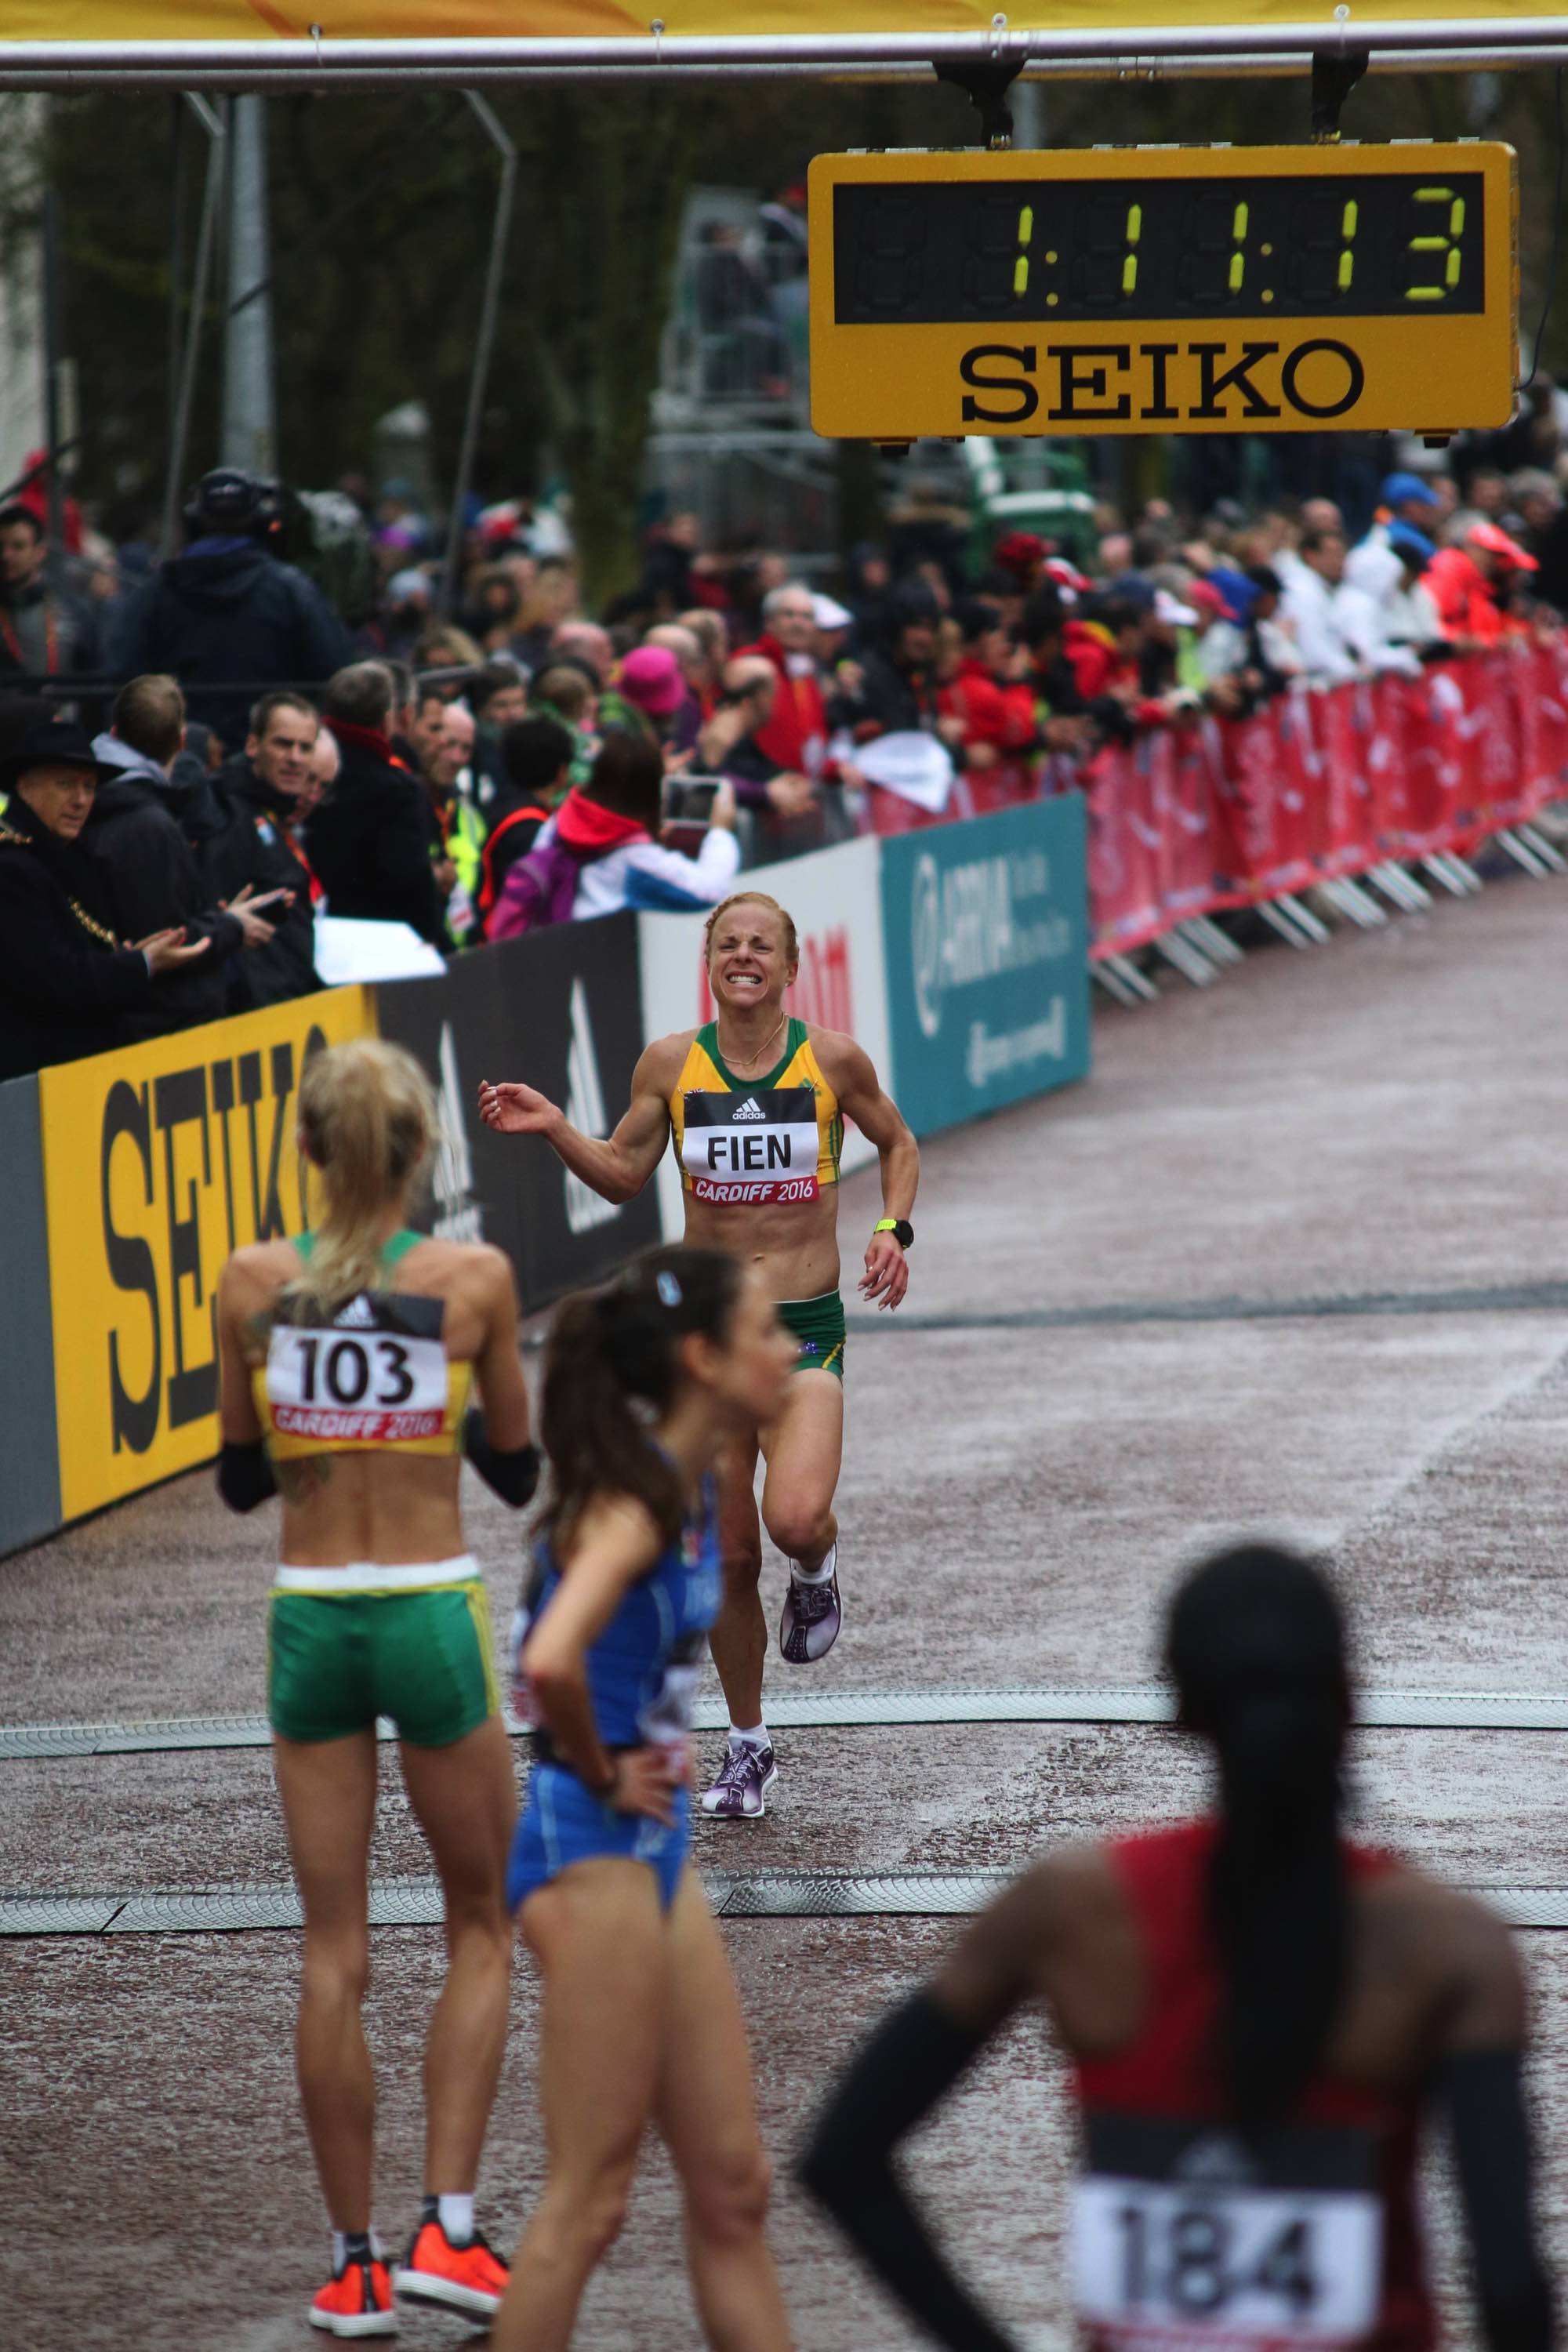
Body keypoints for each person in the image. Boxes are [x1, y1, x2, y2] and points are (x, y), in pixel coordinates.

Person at [800, 1544, 1555, 2352]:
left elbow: (843, 2157)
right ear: (1344, 1697)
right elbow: (1507, 2284)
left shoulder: (1072, 1909)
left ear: (1182, 1714)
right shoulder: (1450, 1946)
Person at [214, 1038, 539, 2339]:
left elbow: (240, 1480)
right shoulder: (471, 1280)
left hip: (312, 1620)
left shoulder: (253, 1279)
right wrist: (426, 1404)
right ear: (422, 1156)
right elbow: (516, 1471)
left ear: (306, 1151)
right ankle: (448, 2236)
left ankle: (351, 2264)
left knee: (332, 1952)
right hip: (427, 1609)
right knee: (481, 1924)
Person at [478, 887, 919, 1820]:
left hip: (802, 1332)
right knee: (724, 1557)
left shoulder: (832, 1060)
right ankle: (748, 1745)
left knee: (794, 1520)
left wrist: (891, 1229)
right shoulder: (671, 1064)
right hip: (707, 1349)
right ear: (710, 962)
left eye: (762, 945)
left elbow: (898, 1141)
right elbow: (624, 1171)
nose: (744, 956)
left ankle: (816, 1569)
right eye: (728, 944)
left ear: (790, 968)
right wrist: (557, 1127)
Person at [492, 1247, 798, 2352]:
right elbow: (554, 1654)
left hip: (652, 1855)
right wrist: (603, 1763)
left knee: (734, 2186)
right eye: (768, 1332)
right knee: (589, 2203)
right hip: (593, 1852)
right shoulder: (630, 1509)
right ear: (705, 1359)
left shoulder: (686, 1482)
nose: (790, 1350)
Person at [0, 720, 211, 1079]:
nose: (80, 800)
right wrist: (141, 963)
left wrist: (126, 958)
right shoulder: (12, 868)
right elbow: (58, 977)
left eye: (89, 787)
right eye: (65, 784)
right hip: (38, 1079)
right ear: (25, 786)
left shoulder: (70, 855)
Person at [88, 672, 284, 1036]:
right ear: (181, 741)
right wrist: (232, 926)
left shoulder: (96, 802)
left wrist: (216, 918)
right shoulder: (149, 825)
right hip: (163, 1027)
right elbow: (172, 939)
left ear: (114, 733)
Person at [110, 468, 350, 750]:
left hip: (175, 755)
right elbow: (335, 672)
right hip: (270, 759)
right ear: (262, 521)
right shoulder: (290, 589)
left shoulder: (154, 592)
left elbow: (122, 675)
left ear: (194, 521)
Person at [488, 733, 739, 936]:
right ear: (648, 792)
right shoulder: (635, 858)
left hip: (544, 956)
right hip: (595, 967)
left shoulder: (560, 820)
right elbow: (708, 890)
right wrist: (720, 831)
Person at [306, 661, 448, 945]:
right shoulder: (398, 790)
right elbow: (411, 881)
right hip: (382, 947)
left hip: (318, 937)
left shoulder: (307, 770)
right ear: (388, 720)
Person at [201, 691, 325, 1007]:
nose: (295, 758)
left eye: (305, 747)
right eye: (283, 744)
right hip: (259, 1015)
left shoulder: (275, 814)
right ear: (253, 745)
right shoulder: (228, 817)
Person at [0, 501, 99, 678]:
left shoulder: (71, 612)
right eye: (1, 547)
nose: (6, 556)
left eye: (18, 547)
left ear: (39, 552)